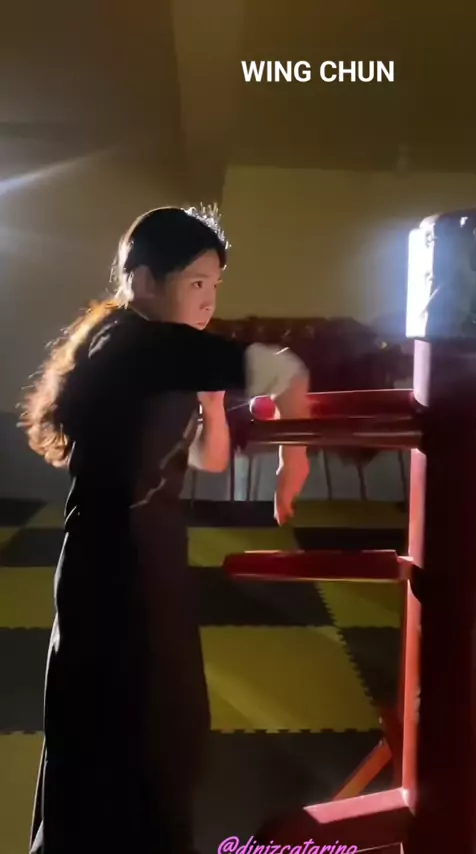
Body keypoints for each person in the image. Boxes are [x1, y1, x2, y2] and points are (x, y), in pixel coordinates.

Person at [19, 205, 310, 854]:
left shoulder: (155, 347)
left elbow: (209, 458)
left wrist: (211, 400)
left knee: (154, 731)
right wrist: (295, 462)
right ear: (144, 280)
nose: (208, 300)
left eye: (215, 285)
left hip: (143, 557)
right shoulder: (139, 346)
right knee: (125, 734)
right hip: (117, 569)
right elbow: (288, 372)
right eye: (195, 283)